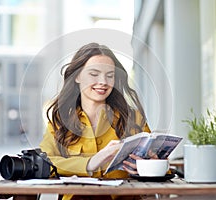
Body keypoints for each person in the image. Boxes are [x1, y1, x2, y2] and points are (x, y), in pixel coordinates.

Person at [40, 43, 151, 200]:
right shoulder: (60, 122)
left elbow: (161, 166)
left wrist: (149, 166)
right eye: (94, 74)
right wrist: (90, 163)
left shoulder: (134, 119)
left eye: (110, 75)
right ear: (77, 76)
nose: (103, 82)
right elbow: (44, 161)